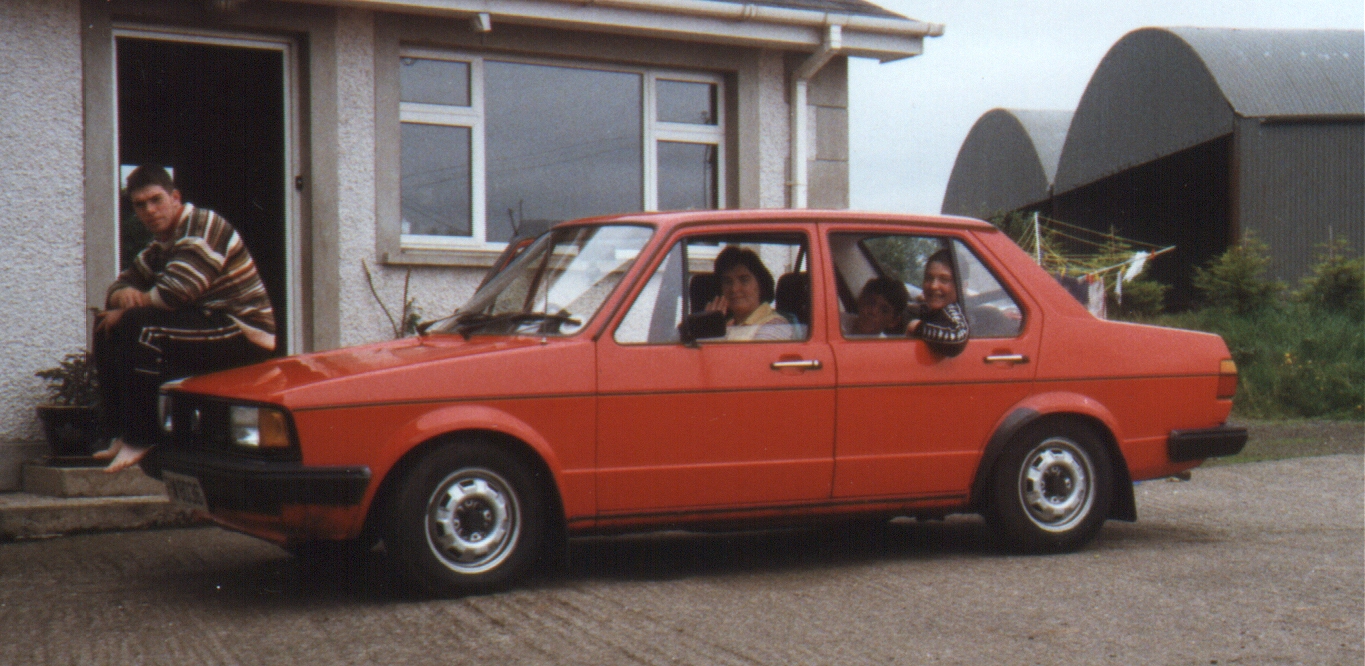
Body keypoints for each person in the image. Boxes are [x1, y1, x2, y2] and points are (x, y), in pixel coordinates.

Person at [92, 166, 276, 472]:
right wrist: (122, 297)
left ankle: (142, 439)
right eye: (140, 204)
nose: (149, 211)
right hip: (204, 323)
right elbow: (118, 286)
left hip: (243, 331)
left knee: (142, 328)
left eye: (156, 200)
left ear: (175, 198)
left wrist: (127, 308)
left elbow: (175, 293)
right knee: (106, 326)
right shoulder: (162, 244)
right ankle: (120, 434)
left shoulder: (203, 226)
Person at [704, 246, 792, 341]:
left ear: (761, 284)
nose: (734, 289)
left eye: (744, 280)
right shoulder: (727, 325)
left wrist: (712, 333)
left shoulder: (776, 325)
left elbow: (751, 356)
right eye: (728, 282)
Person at [905, 248, 969, 357]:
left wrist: (916, 327)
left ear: (962, 287)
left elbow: (957, 336)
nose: (933, 286)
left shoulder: (953, 310)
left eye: (944, 280)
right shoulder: (932, 310)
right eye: (929, 278)